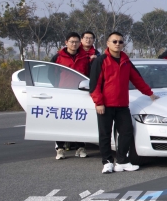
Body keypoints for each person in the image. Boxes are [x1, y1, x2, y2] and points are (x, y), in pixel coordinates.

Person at [89, 32, 159, 174]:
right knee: (105, 134)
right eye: (114, 41)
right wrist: (99, 102)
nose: (117, 44)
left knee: (126, 132)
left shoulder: (126, 61)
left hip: (122, 105)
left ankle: (122, 161)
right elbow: (94, 84)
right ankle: (107, 162)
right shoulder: (101, 60)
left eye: (120, 42)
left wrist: (150, 93)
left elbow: (137, 79)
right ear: (108, 43)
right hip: (105, 105)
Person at [51, 32, 91, 160]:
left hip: (80, 93)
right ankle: (60, 148)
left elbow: (89, 74)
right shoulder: (58, 57)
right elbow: (51, 74)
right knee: (61, 120)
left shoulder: (85, 57)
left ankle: (80, 147)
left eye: (76, 42)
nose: (74, 44)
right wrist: (56, 89)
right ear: (66, 42)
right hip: (62, 93)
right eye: (72, 42)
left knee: (79, 120)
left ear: (80, 43)